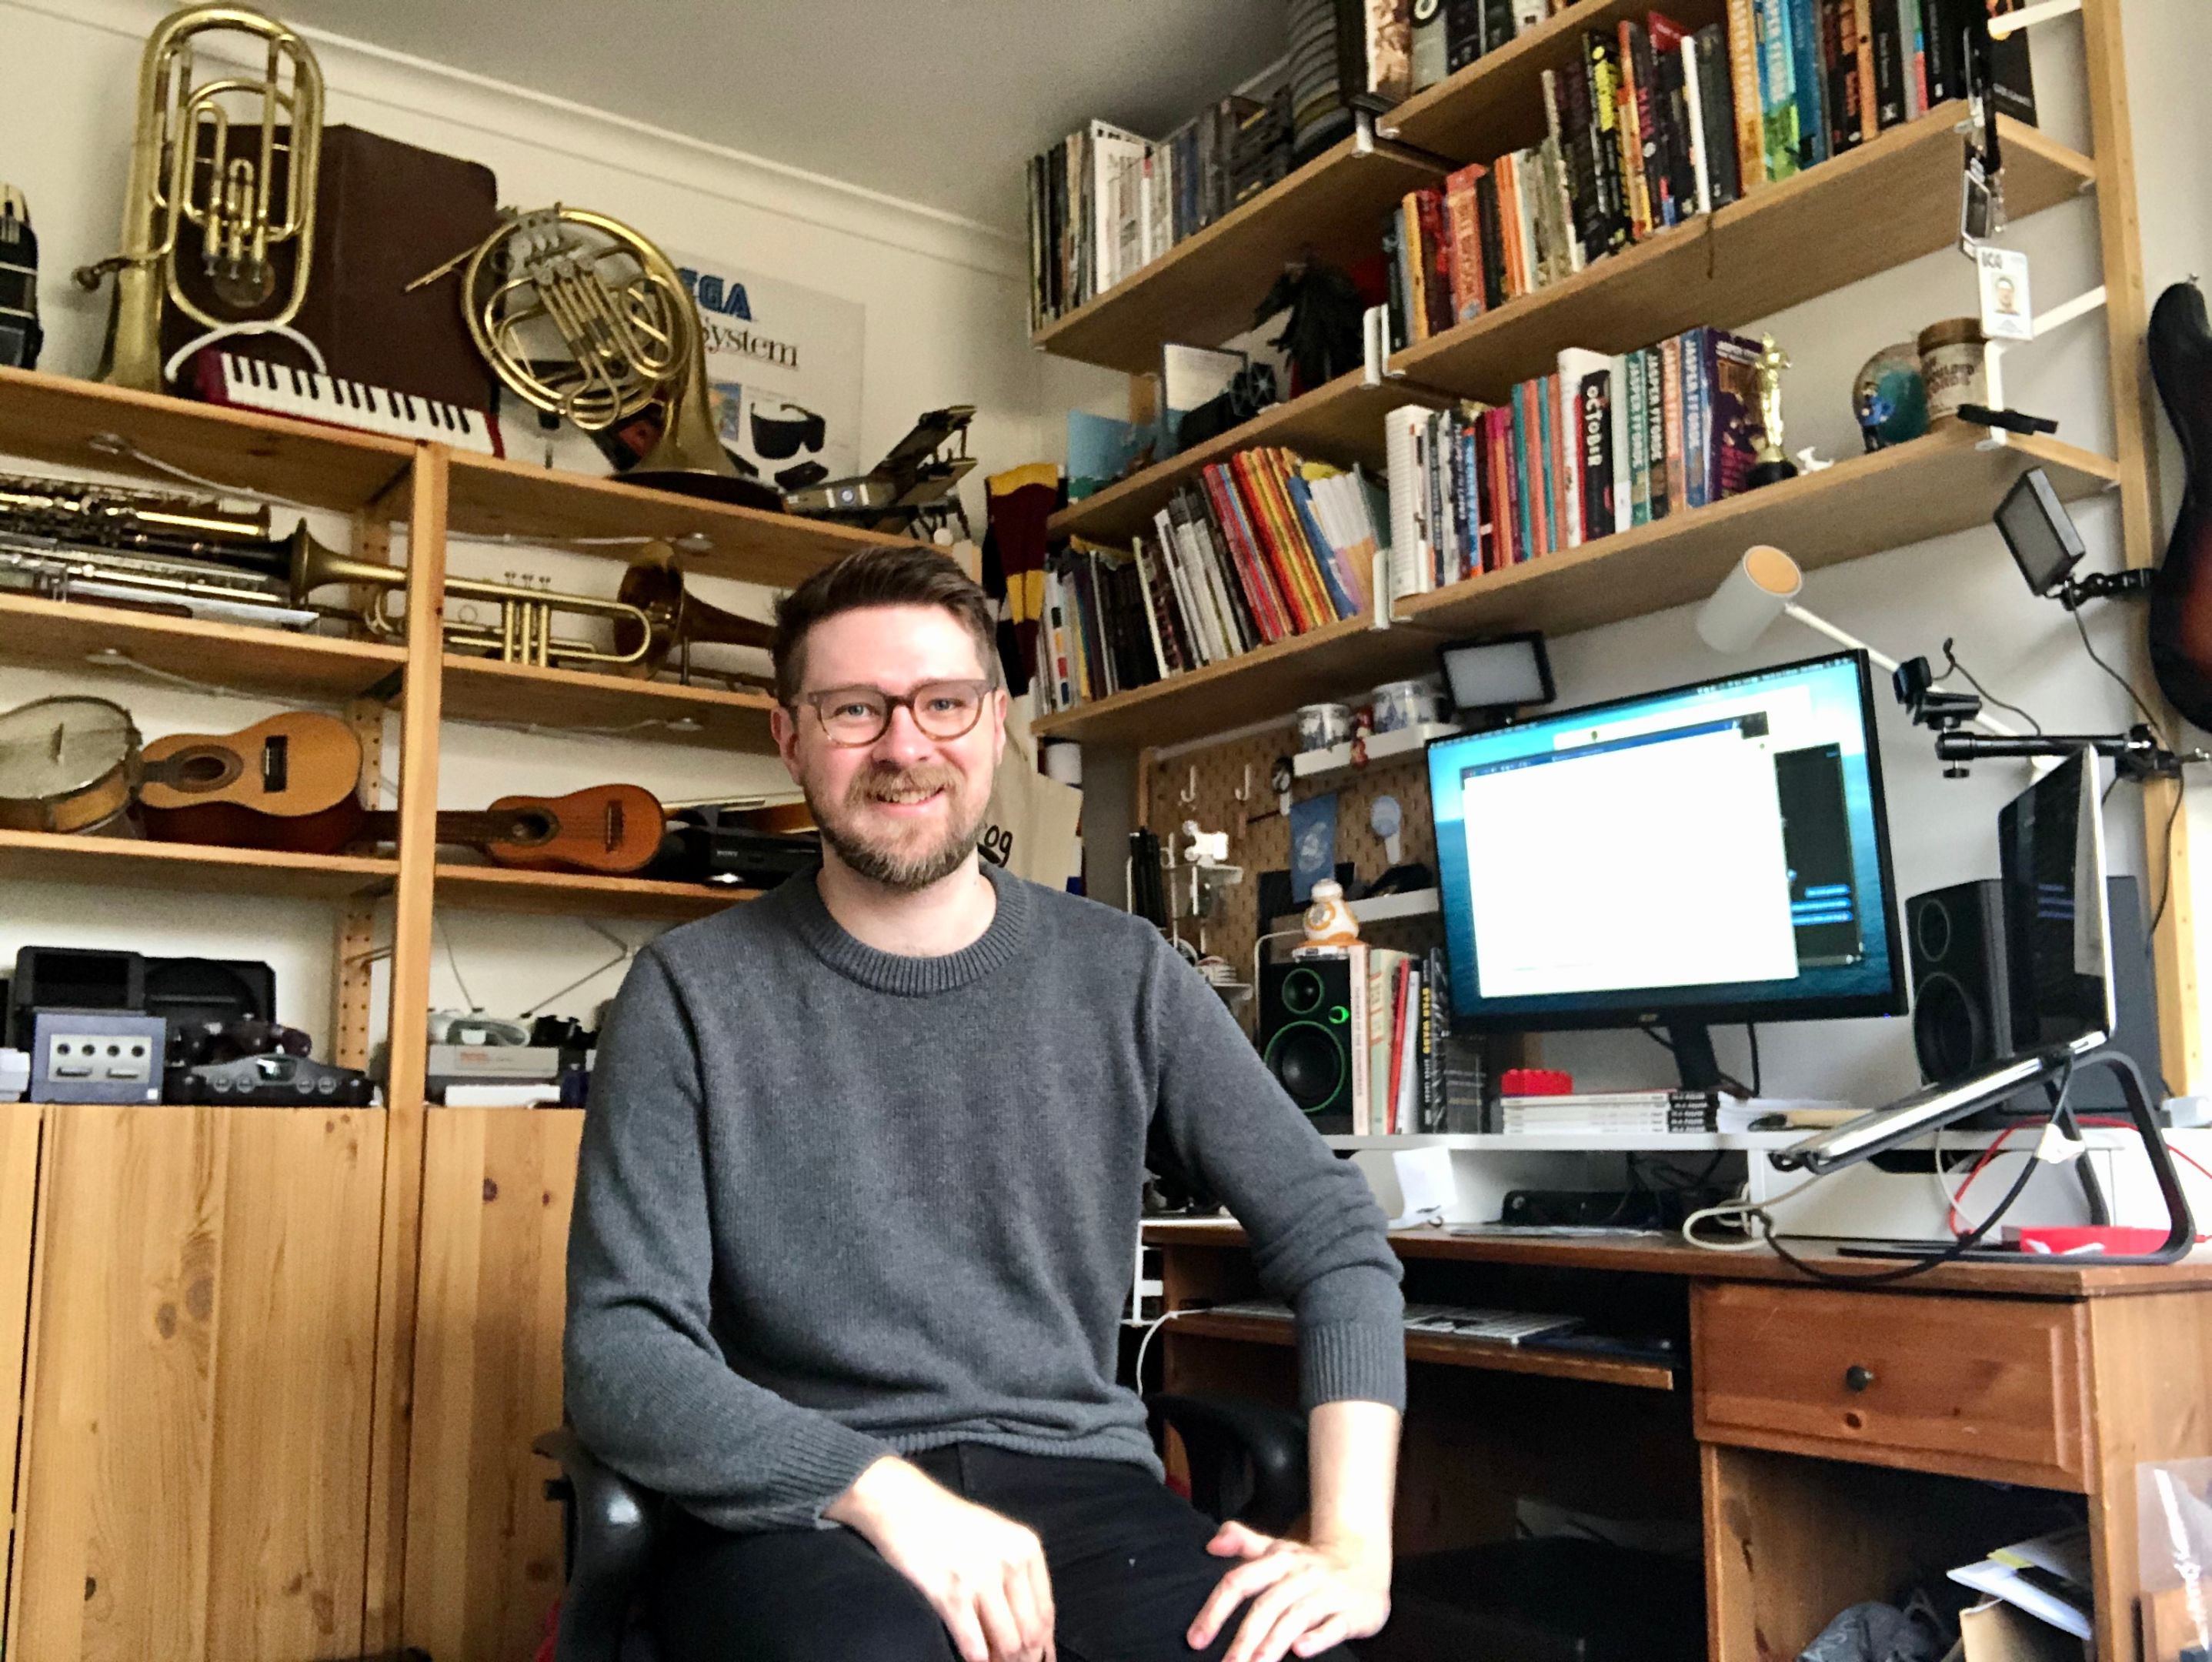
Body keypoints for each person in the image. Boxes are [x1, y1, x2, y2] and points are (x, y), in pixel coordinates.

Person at [566, 545, 1406, 1662]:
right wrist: (875, 1489)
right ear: (791, 736)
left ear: (996, 723)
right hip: (805, 1515)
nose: (904, 746)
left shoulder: (1126, 973)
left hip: (1088, 1501)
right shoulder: (689, 992)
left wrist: (1355, 1542)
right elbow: (621, 1348)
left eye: (942, 704)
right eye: (855, 708)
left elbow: (1335, 1234)